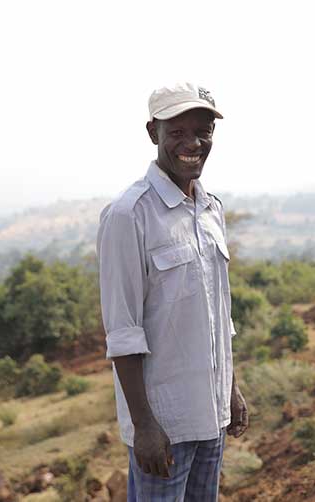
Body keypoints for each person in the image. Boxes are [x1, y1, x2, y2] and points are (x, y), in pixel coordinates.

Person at [97, 82, 248, 501]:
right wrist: (143, 425)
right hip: (164, 425)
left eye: (203, 131)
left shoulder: (210, 208)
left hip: (211, 414)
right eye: (177, 132)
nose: (193, 143)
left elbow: (218, 315)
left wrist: (230, 389)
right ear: (153, 133)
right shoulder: (129, 215)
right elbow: (123, 330)